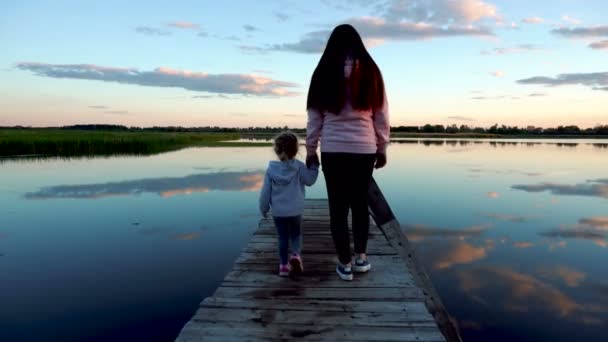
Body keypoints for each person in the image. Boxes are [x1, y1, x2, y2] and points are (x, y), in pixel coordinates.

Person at [305, 24, 389, 281]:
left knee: (337, 208)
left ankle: (345, 263)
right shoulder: (372, 72)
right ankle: (362, 258)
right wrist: (382, 147)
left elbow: (314, 118)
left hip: (333, 149)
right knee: (360, 205)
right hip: (364, 149)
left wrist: (310, 150)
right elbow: (381, 115)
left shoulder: (322, 72)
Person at [259, 132, 319, 277]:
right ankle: (296, 256)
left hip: (278, 212)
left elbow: (265, 193)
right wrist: (314, 166)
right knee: (296, 235)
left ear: (277, 151)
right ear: (296, 150)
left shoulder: (271, 170)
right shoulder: (299, 167)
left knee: (282, 237)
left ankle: (284, 266)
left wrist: (264, 208)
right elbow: (310, 181)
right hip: (295, 210)